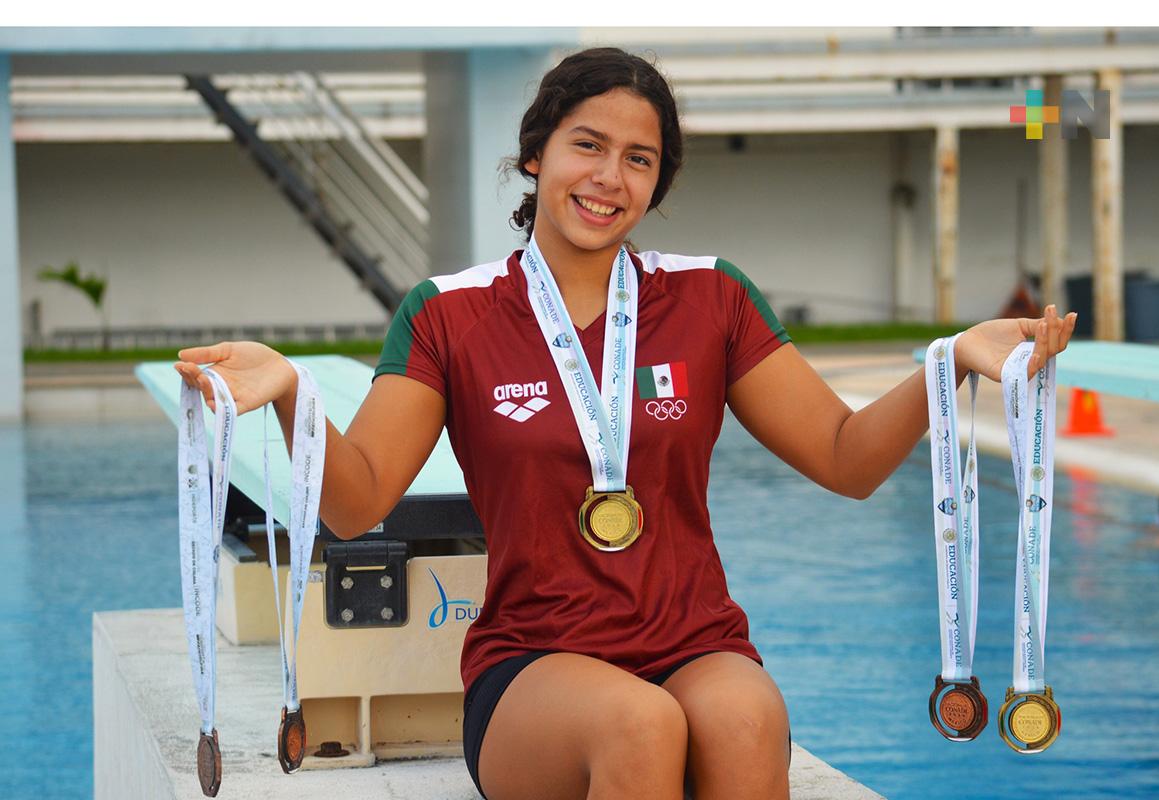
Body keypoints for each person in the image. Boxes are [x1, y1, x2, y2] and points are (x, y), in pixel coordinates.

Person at [174, 47, 1077, 800]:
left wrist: (948, 359)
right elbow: (355, 501)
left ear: (658, 183)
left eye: (638, 159)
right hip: (534, 664)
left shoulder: (711, 298)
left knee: (748, 715)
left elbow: (845, 460)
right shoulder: (448, 314)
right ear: (537, 155)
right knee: (639, 725)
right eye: (587, 146)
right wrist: (294, 394)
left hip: (695, 640)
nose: (608, 178)